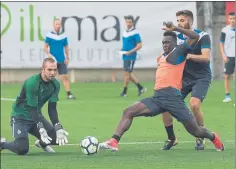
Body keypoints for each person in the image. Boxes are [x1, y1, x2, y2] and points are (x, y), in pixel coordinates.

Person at [99, 21, 224, 152]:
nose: (165, 44)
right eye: (163, 42)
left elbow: (195, 37)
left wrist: (176, 28)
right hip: (158, 98)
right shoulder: (162, 57)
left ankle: (213, 137)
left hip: (173, 99)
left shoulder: (179, 52)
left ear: (175, 43)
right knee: (128, 112)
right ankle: (114, 141)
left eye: (167, 42)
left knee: (196, 131)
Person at [161, 10, 212, 150]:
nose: (179, 23)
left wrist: (189, 56)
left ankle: (200, 135)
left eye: (182, 20)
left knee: (194, 105)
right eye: (178, 21)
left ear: (190, 21)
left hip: (201, 78)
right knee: (165, 106)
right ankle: (172, 138)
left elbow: (206, 57)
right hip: (183, 78)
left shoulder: (202, 36)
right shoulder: (176, 38)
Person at [0, 58, 69, 155]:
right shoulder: (32, 83)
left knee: (59, 138)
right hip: (20, 117)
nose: (53, 73)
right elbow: (32, 108)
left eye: (55, 70)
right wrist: (41, 128)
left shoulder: (55, 84)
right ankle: (2, 144)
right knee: (22, 149)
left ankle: (41, 143)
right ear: (42, 69)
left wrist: (58, 127)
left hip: (36, 116)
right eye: (49, 70)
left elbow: (52, 109)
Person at [44, 18, 76, 99]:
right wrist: (49, 55)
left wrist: (67, 57)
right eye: (56, 24)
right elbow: (45, 47)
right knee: (50, 78)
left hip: (62, 60)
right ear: (53, 25)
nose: (58, 26)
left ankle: (69, 93)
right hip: (53, 61)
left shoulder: (63, 36)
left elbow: (66, 47)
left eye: (59, 24)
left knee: (65, 77)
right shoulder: (49, 35)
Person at [119, 15, 146, 97]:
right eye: (127, 22)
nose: (128, 23)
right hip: (125, 55)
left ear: (132, 22)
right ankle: (141, 88)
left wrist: (130, 52)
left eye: (130, 22)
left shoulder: (135, 33)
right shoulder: (125, 31)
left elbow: (139, 45)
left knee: (127, 74)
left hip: (131, 56)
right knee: (128, 74)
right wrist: (122, 50)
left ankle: (124, 92)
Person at [220, 12, 235, 103]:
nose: (232, 20)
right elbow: (221, 44)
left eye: (234, 18)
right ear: (228, 19)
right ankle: (227, 95)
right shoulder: (225, 30)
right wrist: (223, 55)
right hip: (229, 56)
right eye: (231, 18)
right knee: (227, 76)